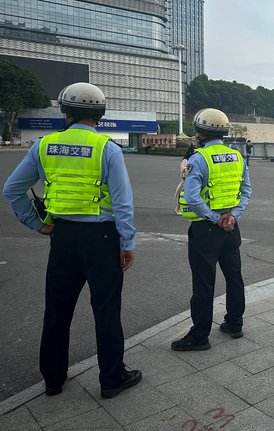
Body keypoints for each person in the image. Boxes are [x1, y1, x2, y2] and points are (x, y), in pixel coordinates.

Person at [2, 82, 141, 399]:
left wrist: (36, 223)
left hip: (62, 237)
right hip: (102, 239)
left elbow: (12, 189)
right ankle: (111, 379)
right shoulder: (108, 149)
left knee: (57, 310)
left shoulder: (43, 146)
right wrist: (127, 243)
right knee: (106, 311)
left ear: (64, 112)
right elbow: (122, 204)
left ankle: (52, 379)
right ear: (100, 115)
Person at [171, 108, 252, 351]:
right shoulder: (237, 157)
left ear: (199, 133)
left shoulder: (199, 158)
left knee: (204, 283)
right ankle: (234, 323)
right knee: (234, 277)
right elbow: (246, 192)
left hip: (206, 229)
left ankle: (199, 335)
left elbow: (192, 197)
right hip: (231, 228)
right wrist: (232, 216)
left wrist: (215, 218)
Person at [175, 144, 195, 215]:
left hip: (189, 179)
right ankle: (178, 208)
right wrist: (188, 169)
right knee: (181, 195)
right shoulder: (185, 160)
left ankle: (182, 208)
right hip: (185, 180)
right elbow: (183, 169)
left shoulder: (190, 159)